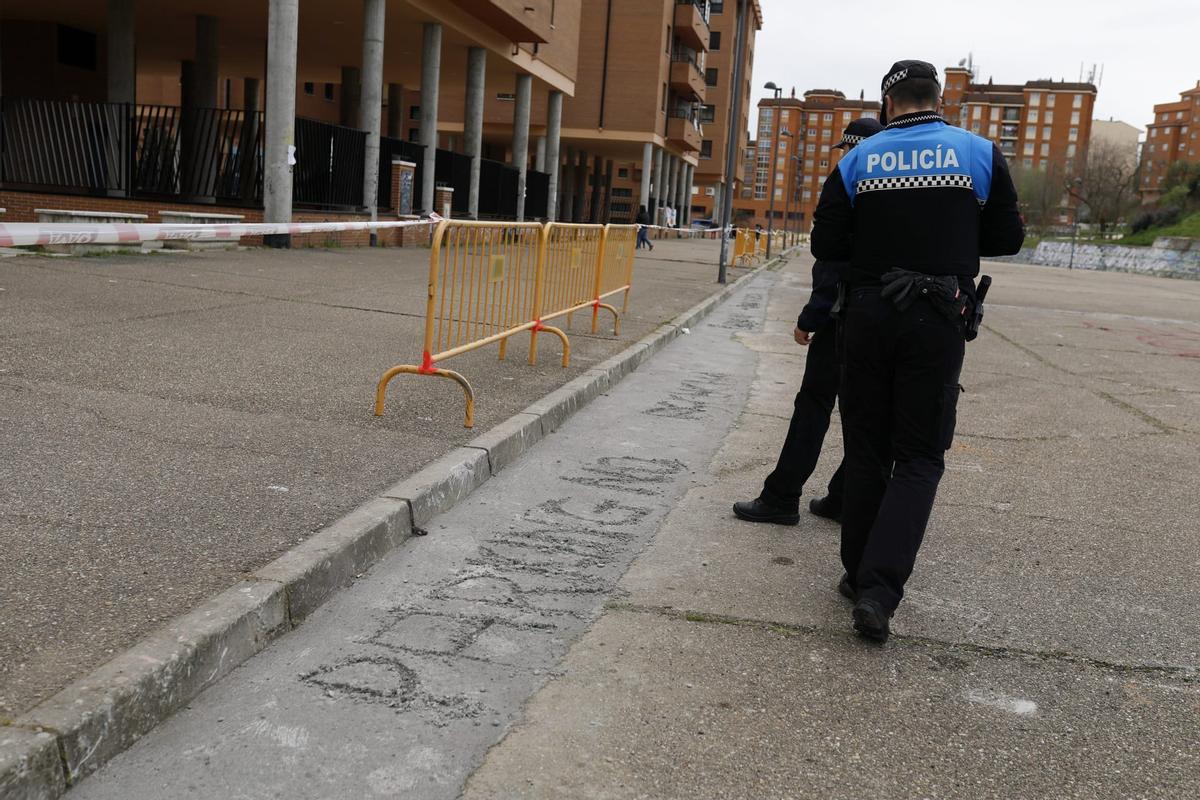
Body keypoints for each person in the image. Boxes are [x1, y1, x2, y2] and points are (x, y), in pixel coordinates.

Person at [810, 60, 1024, 643]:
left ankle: (857, 575)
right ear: (938, 98)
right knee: (921, 455)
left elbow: (825, 241)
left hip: (869, 310)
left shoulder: (859, 158)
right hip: (937, 313)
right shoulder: (978, 153)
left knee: (866, 446)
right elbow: (1007, 239)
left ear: (888, 103)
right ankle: (880, 591)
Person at [733, 118, 884, 531]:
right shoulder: (894, 186)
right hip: (885, 318)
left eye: (844, 149)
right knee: (867, 411)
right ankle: (843, 496)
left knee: (814, 405)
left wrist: (811, 317)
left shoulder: (850, 183)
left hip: (841, 317)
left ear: (853, 147)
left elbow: (833, 261)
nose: (842, 157)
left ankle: (781, 497)